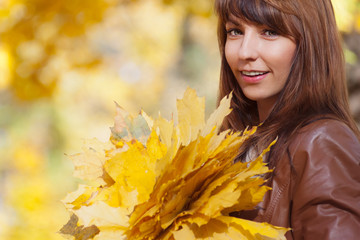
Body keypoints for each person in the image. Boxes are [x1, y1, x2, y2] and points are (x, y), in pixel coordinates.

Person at [214, 0, 360, 239]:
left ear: (310, 43)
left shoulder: (322, 144)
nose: (245, 52)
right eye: (235, 31)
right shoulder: (238, 145)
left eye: (270, 32)